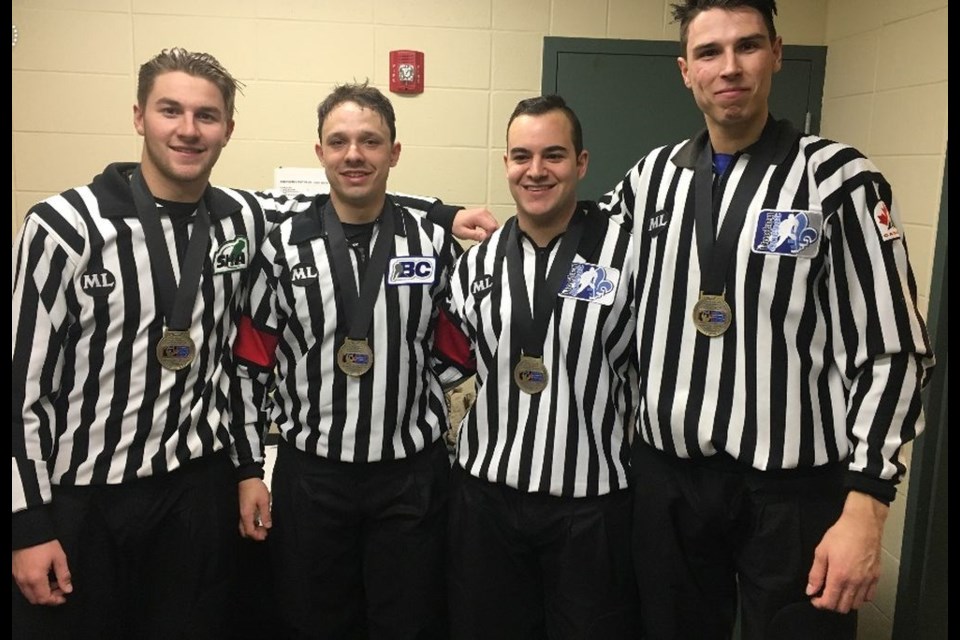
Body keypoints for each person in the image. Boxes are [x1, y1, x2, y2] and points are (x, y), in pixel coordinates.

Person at [11, 48, 495, 640]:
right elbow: (21, 388)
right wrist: (27, 523)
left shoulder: (238, 216)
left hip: (196, 486)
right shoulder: (64, 228)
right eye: (171, 110)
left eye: (206, 116)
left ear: (227, 130)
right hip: (85, 496)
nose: (188, 130)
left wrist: (440, 214)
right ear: (139, 116)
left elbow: (344, 202)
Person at [597, 2, 935, 638]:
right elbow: (597, 273)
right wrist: (490, 245)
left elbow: (894, 351)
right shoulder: (650, 179)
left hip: (793, 493)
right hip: (669, 484)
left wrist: (867, 504)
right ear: (685, 71)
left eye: (747, 46)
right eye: (709, 53)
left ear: (777, 53)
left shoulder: (839, 180)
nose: (730, 68)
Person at [228, 81, 466, 640]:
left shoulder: (433, 243)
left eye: (370, 141)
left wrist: (400, 384)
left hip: (410, 476)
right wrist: (247, 469)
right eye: (338, 142)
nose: (354, 155)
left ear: (394, 152)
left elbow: (458, 344)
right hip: (312, 478)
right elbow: (250, 365)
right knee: (314, 621)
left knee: (408, 621)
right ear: (320, 153)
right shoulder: (281, 247)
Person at [437, 95, 640, 639]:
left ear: (581, 163)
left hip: (592, 506)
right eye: (521, 155)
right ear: (505, 164)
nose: (536, 170)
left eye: (553, 154)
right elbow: (450, 369)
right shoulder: (474, 265)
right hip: (486, 503)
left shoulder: (630, 255)